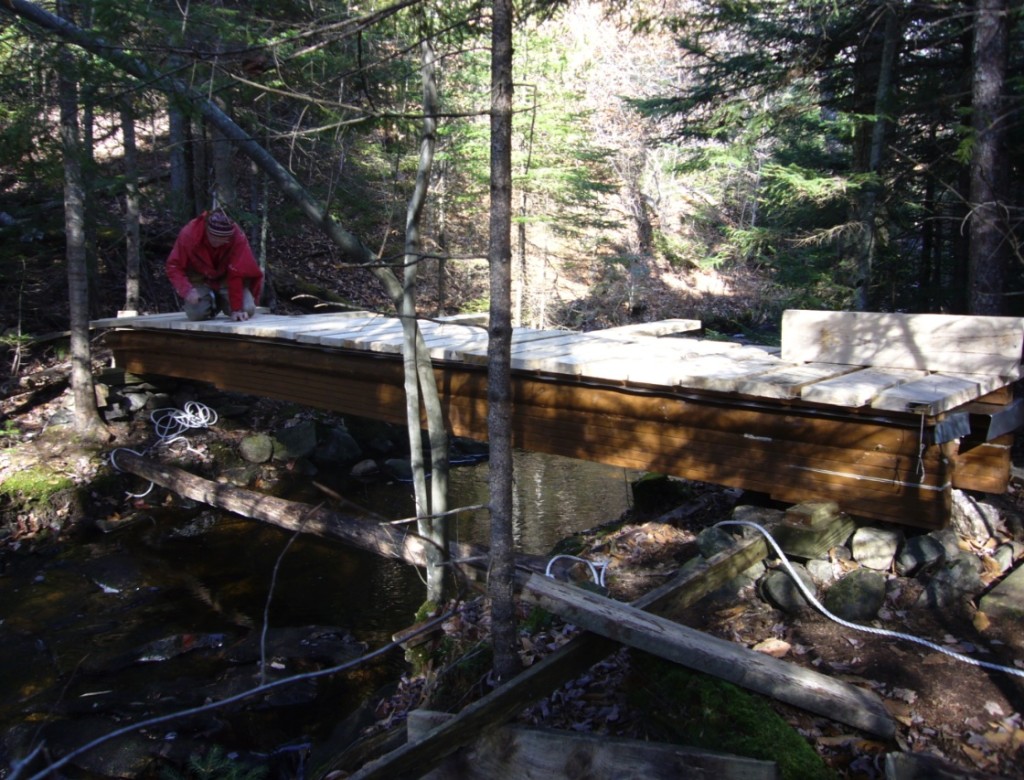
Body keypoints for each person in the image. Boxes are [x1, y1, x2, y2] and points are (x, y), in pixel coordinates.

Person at [166, 210, 264, 322]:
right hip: (200, 280)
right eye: (213, 239)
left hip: (227, 280)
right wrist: (187, 290)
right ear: (207, 230)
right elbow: (174, 265)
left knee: (247, 309)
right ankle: (211, 302)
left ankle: (222, 302)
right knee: (196, 314)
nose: (217, 243)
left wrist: (236, 309)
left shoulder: (237, 238)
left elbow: (237, 272)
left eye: (222, 241)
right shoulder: (189, 234)